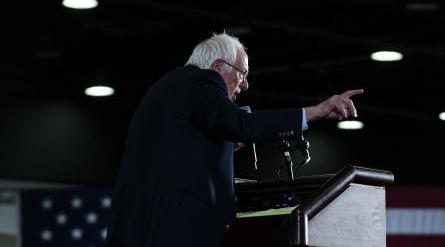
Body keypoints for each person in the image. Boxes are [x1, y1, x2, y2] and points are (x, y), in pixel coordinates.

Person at [104, 33, 363, 247]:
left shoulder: (171, 85)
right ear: (218, 68)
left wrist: (228, 143)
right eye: (242, 73)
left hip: (141, 225)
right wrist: (316, 111)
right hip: (174, 229)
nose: (245, 85)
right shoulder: (202, 81)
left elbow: (180, 151)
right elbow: (243, 125)